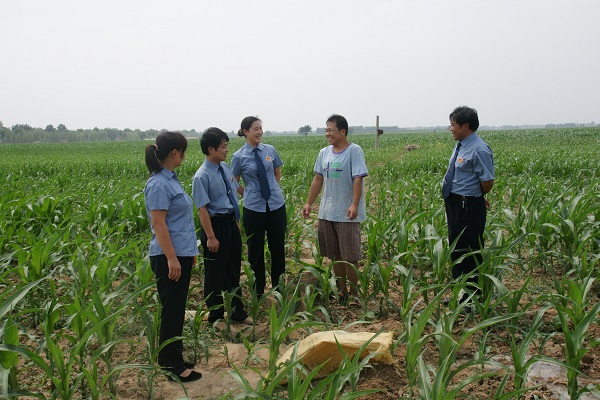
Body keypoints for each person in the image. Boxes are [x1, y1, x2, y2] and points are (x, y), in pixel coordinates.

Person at [143, 131, 202, 382]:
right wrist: (172, 258)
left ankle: (173, 357)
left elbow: (179, 222)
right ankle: (171, 365)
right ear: (175, 152)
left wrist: (189, 253)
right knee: (172, 309)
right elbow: (159, 224)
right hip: (169, 256)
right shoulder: (158, 184)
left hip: (180, 253)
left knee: (177, 308)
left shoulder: (170, 180)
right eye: (183, 151)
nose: (184, 156)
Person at [302, 114, 368, 303]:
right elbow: (318, 179)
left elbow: (358, 179)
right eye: (326, 130)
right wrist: (309, 203)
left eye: (330, 130)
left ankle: (354, 294)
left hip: (346, 212)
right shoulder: (324, 153)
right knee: (335, 255)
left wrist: (354, 204)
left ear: (343, 131)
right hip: (327, 212)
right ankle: (341, 290)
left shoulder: (354, 151)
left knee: (350, 256)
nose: (327, 134)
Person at [192, 128, 250, 324]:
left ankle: (237, 312)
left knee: (233, 269)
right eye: (223, 147)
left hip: (230, 223)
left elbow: (233, 191)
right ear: (211, 149)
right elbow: (202, 209)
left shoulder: (224, 167)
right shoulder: (201, 176)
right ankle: (215, 315)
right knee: (215, 273)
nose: (227, 150)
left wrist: (236, 222)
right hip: (215, 226)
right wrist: (210, 237)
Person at [442, 106, 495, 307]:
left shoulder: (479, 149)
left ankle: (472, 298)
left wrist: (476, 196)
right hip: (456, 202)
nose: (451, 128)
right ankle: (460, 292)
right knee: (456, 249)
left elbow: (487, 181)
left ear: (465, 126)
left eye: (453, 124)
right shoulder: (462, 145)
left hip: (467, 205)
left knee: (469, 251)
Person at [231, 116, 287, 298]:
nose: (260, 132)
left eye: (261, 128)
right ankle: (258, 291)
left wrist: (271, 189)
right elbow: (233, 181)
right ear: (245, 131)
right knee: (255, 250)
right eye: (256, 129)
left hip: (276, 205)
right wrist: (247, 193)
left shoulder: (270, 150)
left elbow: (276, 173)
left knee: (277, 247)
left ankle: (279, 288)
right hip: (254, 209)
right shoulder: (238, 156)